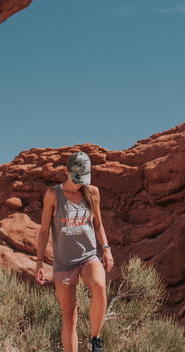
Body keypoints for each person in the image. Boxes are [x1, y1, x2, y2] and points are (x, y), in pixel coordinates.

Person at [35, 151, 114, 352]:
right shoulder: (53, 195)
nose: (80, 183)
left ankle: (95, 339)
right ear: (66, 171)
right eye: (76, 178)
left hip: (88, 255)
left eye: (83, 178)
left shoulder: (92, 192)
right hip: (64, 262)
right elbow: (44, 231)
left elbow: (98, 225)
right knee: (70, 316)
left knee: (99, 285)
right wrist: (39, 263)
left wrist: (105, 248)